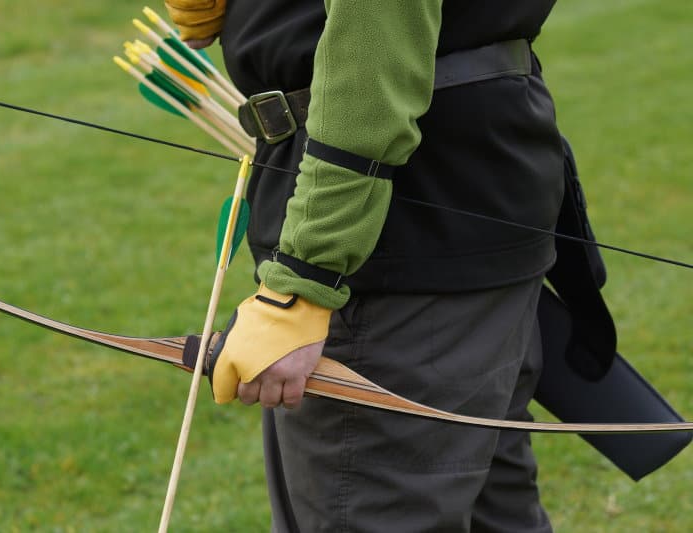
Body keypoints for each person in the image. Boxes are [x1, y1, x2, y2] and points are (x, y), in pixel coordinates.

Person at [166, 1, 562, 531]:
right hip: (468, 195)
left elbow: (372, 65)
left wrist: (304, 283)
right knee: (493, 510)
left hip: (393, 241)